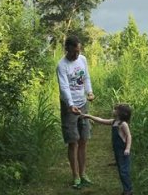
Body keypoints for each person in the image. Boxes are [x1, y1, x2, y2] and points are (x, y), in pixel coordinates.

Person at [56, 35, 95, 189]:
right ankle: (76, 176)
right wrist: (71, 105)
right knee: (73, 142)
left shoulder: (82, 60)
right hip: (69, 107)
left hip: (83, 104)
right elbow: (64, 87)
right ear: (68, 49)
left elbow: (86, 78)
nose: (77, 55)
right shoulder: (62, 66)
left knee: (83, 140)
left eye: (79, 52)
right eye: (74, 52)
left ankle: (83, 172)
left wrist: (89, 92)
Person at [82, 104, 133, 195]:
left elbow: (129, 136)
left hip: (123, 151)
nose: (113, 110)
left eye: (115, 109)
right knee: (121, 170)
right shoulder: (114, 122)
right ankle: (126, 189)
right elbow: (101, 120)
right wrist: (89, 116)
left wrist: (128, 148)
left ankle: (128, 191)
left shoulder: (123, 124)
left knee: (124, 171)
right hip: (117, 151)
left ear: (120, 113)